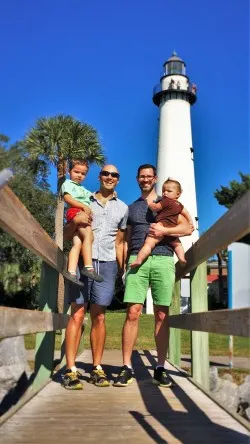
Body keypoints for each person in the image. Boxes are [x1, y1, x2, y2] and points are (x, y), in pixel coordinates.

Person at [114, 164, 193, 388]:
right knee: (133, 312)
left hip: (164, 259)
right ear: (138, 179)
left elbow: (188, 228)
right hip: (137, 259)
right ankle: (126, 366)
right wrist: (123, 265)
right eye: (142, 176)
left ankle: (160, 367)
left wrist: (164, 232)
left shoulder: (169, 203)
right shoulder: (132, 208)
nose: (145, 179)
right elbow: (126, 240)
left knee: (161, 314)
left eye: (149, 176)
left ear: (155, 179)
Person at [62, 164, 128, 389]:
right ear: (99, 177)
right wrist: (75, 221)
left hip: (108, 264)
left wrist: (122, 269)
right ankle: (71, 370)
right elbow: (66, 233)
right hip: (82, 263)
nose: (110, 177)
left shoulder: (123, 208)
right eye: (106, 173)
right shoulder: (83, 199)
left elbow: (119, 243)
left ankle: (97, 368)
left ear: (118, 180)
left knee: (99, 317)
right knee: (77, 315)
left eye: (114, 175)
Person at [130, 178, 194, 268]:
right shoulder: (180, 205)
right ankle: (182, 258)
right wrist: (190, 222)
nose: (165, 193)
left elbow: (156, 207)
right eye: (163, 190)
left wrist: (151, 205)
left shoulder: (165, 201)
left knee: (148, 244)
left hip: (161, 226)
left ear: (178, 194)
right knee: (178, 245)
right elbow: (186, 214)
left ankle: (139, 259)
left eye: (169, 191)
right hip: (172, 230)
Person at [61, 159, 103, 282]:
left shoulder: (83, 189)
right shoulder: (68, 183)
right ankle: (89, 267)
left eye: (83, 173)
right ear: (69, 171)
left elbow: (94, 196)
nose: (79, 175)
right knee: (89, 235)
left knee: (77, 243)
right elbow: (67, 198)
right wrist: (83, 206)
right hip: (76, 212)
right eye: (76, 172)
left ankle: (71, 272)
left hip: (81, 213)